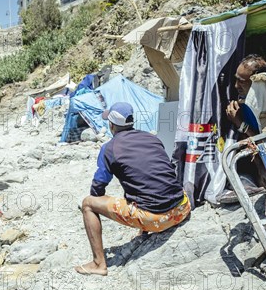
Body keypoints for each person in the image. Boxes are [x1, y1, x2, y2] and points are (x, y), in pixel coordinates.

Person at [75, 102, 191, 276]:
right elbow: (158, 174)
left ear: (111, 125)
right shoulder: (151, 138)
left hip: (159, 219)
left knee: (88, 204)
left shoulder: (110, 148)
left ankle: (99, 263)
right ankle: (144, 231)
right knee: (143, 184)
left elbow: (98, 188)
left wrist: (98, 200)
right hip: (183, 208)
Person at [226, 54, 266, 136]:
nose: (236, 86)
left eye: (242, 81)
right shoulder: (241, 101)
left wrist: (239, 122)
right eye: (236, 79)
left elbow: (263, 142)